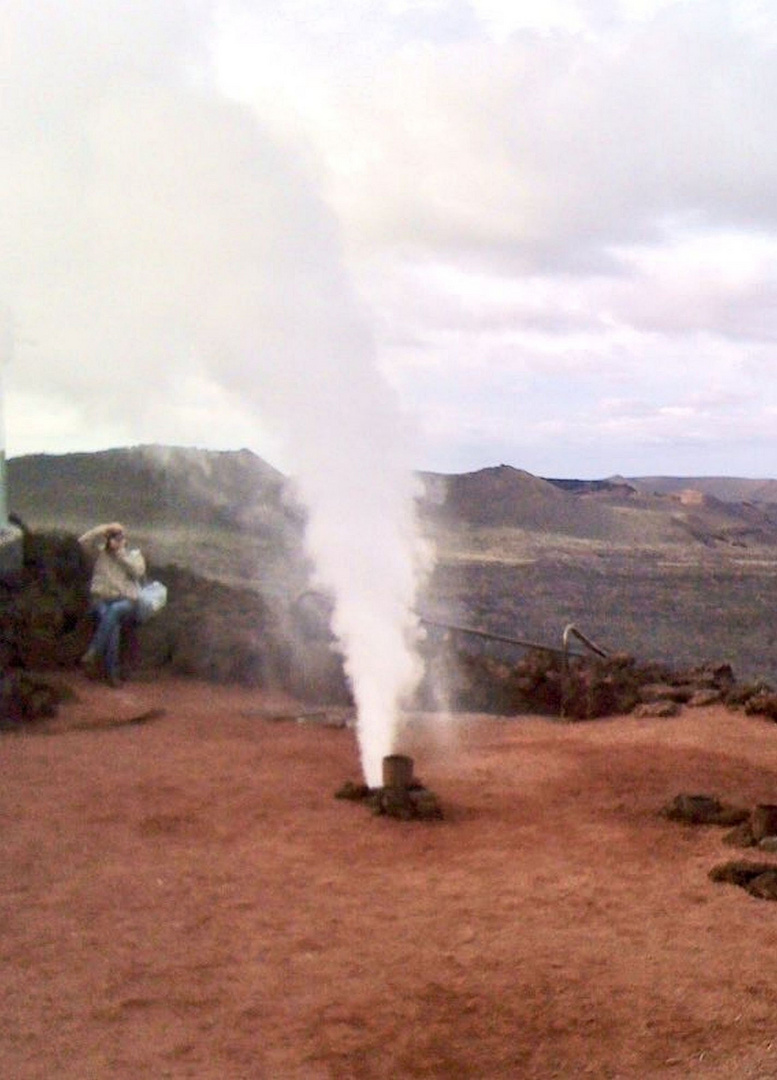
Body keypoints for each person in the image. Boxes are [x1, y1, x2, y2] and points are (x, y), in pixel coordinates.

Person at [78, 522, 146, 687]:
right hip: (101, 599)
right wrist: (103, 528)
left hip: (126, 601)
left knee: (114, 611)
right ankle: (111, 673)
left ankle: (94, 651)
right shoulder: (100, 554)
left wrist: (120, 554)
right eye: (112, 537)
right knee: (112, 623)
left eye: (119, 537)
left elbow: (138, 572)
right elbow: (82, 542)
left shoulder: (134, 556)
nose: (115, 541)